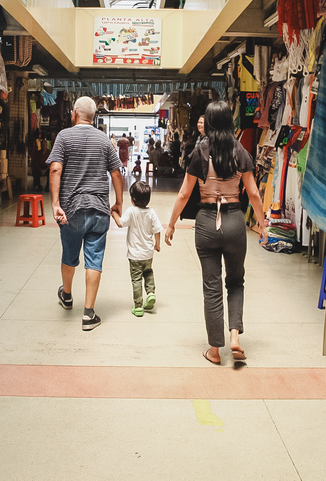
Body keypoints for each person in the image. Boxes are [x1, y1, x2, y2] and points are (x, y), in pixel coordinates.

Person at [164, 101, 267, 365]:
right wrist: (263, 224)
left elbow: (185, 193)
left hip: (207, 222)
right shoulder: (240, 151)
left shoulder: (200, 151)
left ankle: (214, 350)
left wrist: (172, 223)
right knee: (236, 281)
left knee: (212, 288)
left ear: (208, 123)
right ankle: (234, 336)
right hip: (233, 221)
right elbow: (254, 193)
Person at [48, 97, 125, 331]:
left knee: (69, 255)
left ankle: (68, 295)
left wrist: (55, 203)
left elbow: (55, 168)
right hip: (100, 209)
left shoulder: (64, 136)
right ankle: (89, 314)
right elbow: (116, 173)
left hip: (71, 210)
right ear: (93, 116)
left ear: (74, 113)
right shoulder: (104, 139)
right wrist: (119, 202)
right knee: (95, 259)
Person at [112, 181, 162, 317]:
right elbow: (157, 230)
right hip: (148, 253)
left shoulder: (131, 211)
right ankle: (151, 293)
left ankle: (138, 306)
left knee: (136, 279)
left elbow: (120, 223)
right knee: (148, 273)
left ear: (133, 200)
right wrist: (157, 244)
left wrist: (114, 213)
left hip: (135, 255)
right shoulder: (151, 212)